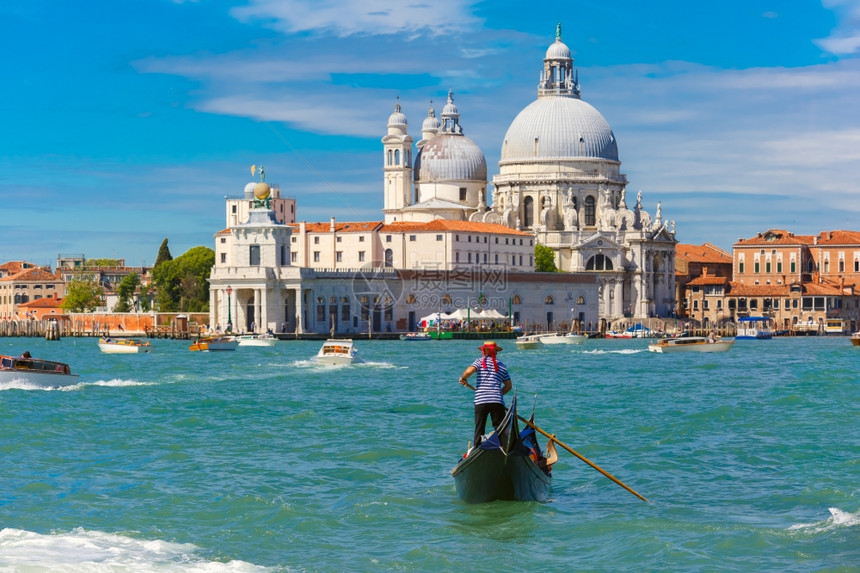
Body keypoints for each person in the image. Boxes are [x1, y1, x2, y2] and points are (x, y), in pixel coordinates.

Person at [458, 341, 512, 448]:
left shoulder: (479, 362)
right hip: (497, 400)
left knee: (480, 428)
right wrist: (497, 394)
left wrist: (463, 378)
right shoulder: (502, 366)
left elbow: (469, 371)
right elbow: (508, 386)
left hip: (481, 400)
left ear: (485, 350)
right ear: (495, 351)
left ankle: (478, 448)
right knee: (500, 428)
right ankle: (504, 448)